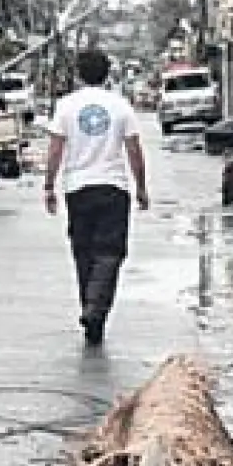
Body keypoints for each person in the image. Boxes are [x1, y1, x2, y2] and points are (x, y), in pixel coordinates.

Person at [42, 48, 149, 345]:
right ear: (107, 74)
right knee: (110, 254)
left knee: (84, 254)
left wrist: (49, 186)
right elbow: (134, 151)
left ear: (78, 74)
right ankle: (95, 310)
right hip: (113, 188)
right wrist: (141, 187)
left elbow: (55, 150)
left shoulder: (66, 106)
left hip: (78, 189)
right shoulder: (120, 106)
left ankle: (91, 314)